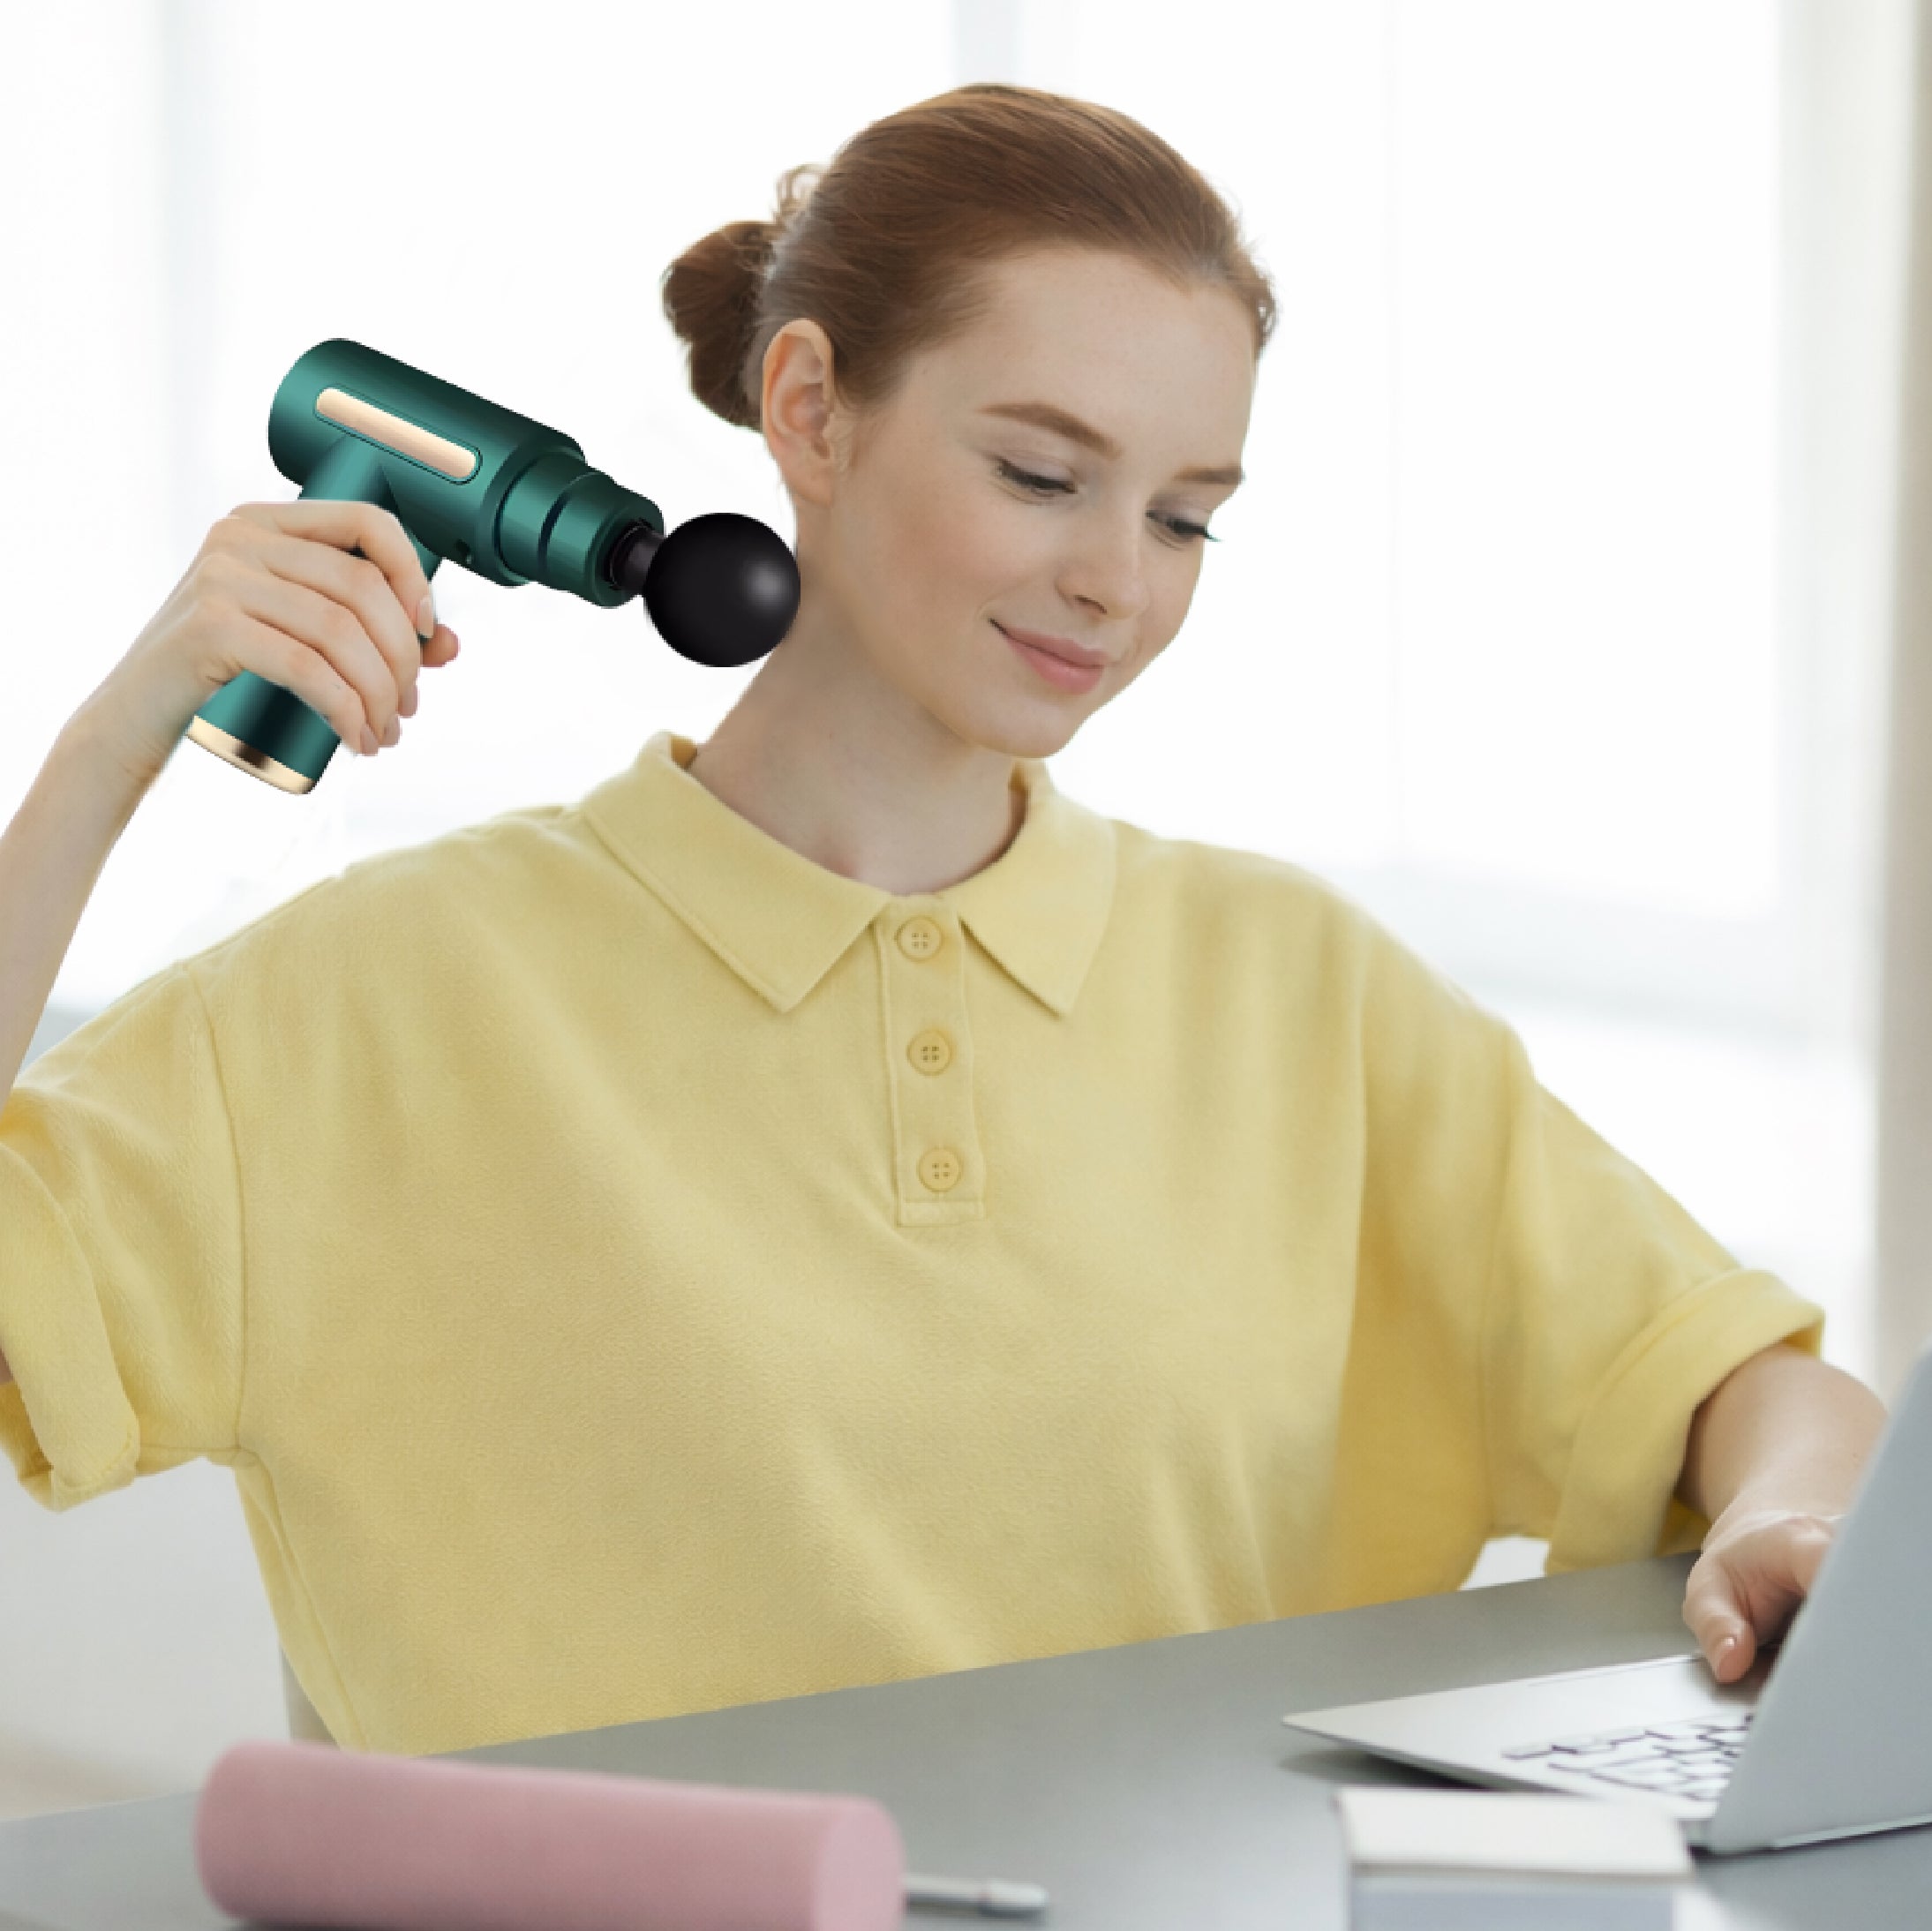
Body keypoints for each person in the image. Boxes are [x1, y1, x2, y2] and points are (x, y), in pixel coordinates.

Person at [0, 83, 1887, 1760]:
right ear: (808, 407)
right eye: (1043, 474)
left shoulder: (1300, 997)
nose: (1114, 583)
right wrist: (101, 751)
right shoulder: (373, 1000)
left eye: (1185, 518)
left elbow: (1745, 1380)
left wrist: (1787, 1519)